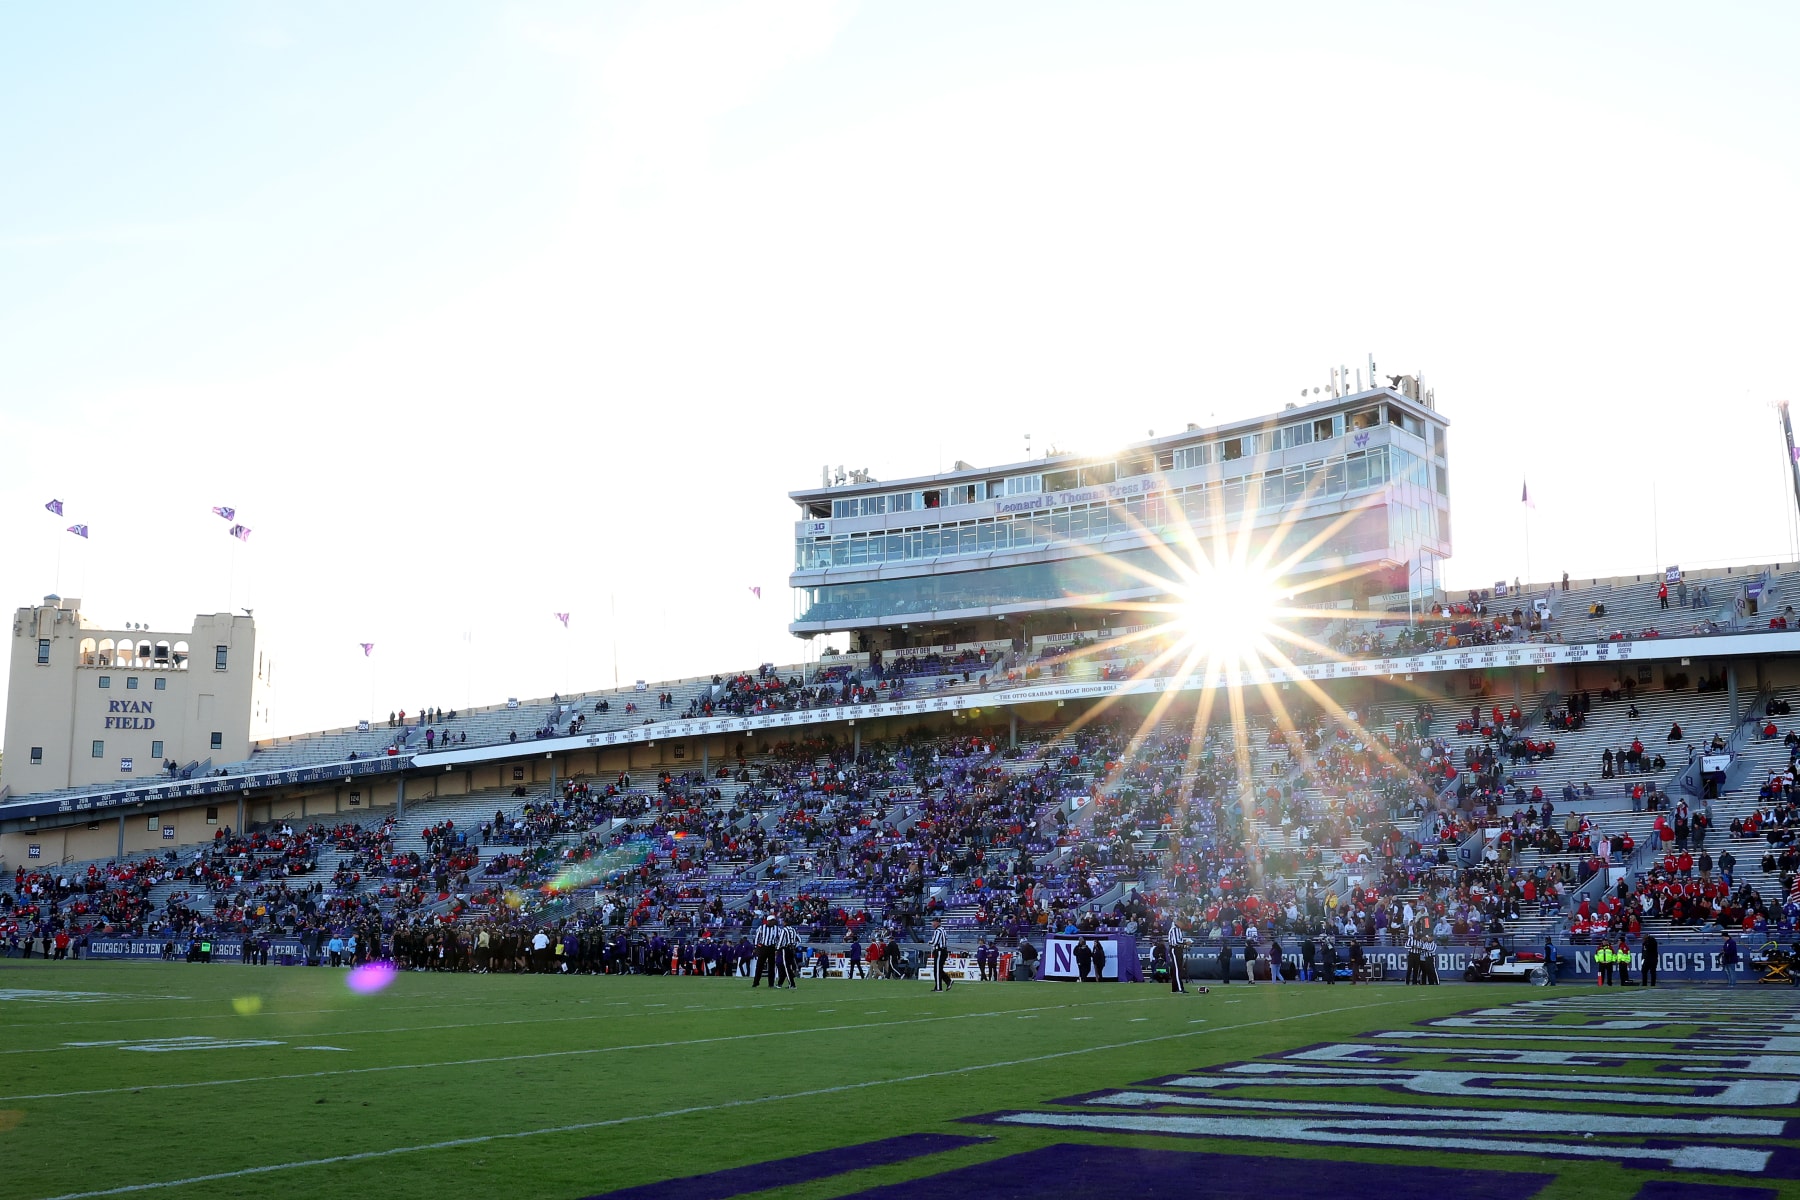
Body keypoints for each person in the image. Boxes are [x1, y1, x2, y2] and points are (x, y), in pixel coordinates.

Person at [751, 916, 779, 987]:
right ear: (768, 921)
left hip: (772, 948)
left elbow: (779, 938)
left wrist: (777, 948)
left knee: (771, 967)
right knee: (759, 966)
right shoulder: (762, 928)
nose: (773, 922)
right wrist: (756, 947)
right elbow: (757, 937)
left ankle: (771, 983)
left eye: (774, 920)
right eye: (772, 920)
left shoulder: (777, 929)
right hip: (763, 947)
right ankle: (756, 982)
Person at [1167, 916, 1189, 994]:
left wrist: (1184, 943)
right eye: (1182, 923)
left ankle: (1175, 988)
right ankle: (1180, 988)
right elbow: (1176, 941)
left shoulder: (1178, 929)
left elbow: (1179, 941)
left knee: (1178, 969)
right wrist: (1185, 942)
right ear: (1179, 922)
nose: (1183, 925)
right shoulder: (1174, 929)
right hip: (1175, 949)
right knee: (1177, 969)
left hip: (1178, 949)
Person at [929, 918, 951, 991]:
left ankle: (939, 988)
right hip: (942, 951)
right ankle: (948, 981)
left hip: (939, 951)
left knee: (937, 970)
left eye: (933, 922)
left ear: (937, 923)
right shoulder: (943, 930)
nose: (932, 924)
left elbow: (935, 942)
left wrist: (929, 942)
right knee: (938, 969)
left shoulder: (938, 931)